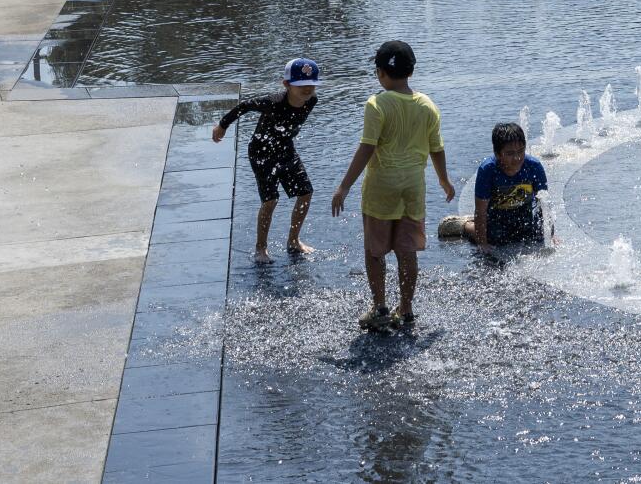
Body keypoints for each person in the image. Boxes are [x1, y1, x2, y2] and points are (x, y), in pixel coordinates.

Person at [330, 40, 455, 332]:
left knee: (375, 250)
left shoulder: (377, 104)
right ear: (411, 71)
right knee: (407, 251)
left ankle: (380, 307)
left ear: (379, 72)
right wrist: (444, 179)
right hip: (413, 188)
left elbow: (367, 148)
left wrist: (344, 186)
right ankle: (407, 310)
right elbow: (437, 148)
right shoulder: (427, 105)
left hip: (381, 188)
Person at [213, 57, 321, 262]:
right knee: (271, 200)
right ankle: (260, 248)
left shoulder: (312, 101)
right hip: (261, 152)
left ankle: (293, 241)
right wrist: (222, 125)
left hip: (286, 149)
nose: (307, 89)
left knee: (305, 193)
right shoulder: (272, 102)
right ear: (287, 85)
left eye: (311, 85)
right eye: (301, 85)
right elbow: (244, 106)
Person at [471, 121, 551, 251]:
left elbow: (545, 205)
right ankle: (466, 226)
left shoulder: (534, 167)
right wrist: (482, 243)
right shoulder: (488, 170)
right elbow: (480, 211)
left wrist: (550, 236)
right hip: (497, 221)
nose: (517, 158)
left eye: (521, 151)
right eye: (510, 153)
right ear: (497, 154)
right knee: (495, 237)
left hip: (524, 219)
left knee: (535, 235)